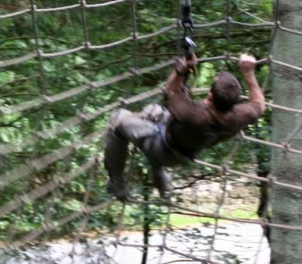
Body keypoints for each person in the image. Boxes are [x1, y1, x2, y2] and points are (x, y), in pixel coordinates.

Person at [104, 53, 265, 200]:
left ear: (210, 97)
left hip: (161, 148)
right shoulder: (236, 117)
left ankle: (117, 181)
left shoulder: (193, 115)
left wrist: (181, 71)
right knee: (152, 110)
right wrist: (248, 73)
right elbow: (259, 105)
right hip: (183, 153)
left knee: (118, 119)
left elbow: (172, 90)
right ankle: (161, 178)